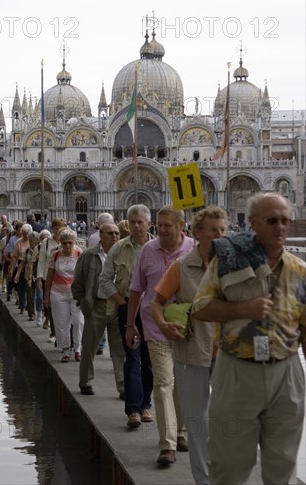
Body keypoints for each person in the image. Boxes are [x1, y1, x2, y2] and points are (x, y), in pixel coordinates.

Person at [192, 193, 306, 485]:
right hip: (238, 372)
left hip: (287, 372)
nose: (280, 227)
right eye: (272, 220)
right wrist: (242, 309)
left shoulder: (300, 270)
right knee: (230, 464)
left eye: (285, 220)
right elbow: (201, 308)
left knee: (283, 464)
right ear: (253, 223)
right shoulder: (228, 259)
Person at [151, 206, 228, 484]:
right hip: (192, 351)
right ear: (196, 233)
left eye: (223, 229)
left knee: (229, 419)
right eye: (213, 230)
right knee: (197, 423)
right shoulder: (182, 266)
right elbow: (156, 302)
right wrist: (162, 325)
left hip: (229, 355)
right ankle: (204, 480)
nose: (219, 235)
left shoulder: (234, 264)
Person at [126, 206, 195, 466]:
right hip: (155, 327)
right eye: (160, 224)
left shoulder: (194, 248)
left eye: (168, 225)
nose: (162, 229)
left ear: (181, 226)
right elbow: (136, 289)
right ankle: (167, 445)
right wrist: (130, 325)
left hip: (187, 330)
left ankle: (182, 432)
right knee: (163, 382)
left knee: (182, 382)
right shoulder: (147, 250)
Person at [99, 205, 154, 428]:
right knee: (132, 358)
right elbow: (105, 279)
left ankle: (146, 405)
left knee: (150, 361)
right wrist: (122, 302)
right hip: (127, 310)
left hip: (153, 311)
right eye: (132, 222)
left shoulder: (158, 248)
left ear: (150, 224)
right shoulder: (119, 248)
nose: (136, 226)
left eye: (140, 221)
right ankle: (133, 410)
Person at [72, 222, 125, 397]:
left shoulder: (124, 254)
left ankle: (123, 387)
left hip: (118, 306)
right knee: (89, 347)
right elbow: (77, 282)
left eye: (117, 233)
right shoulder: (88, 255)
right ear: (100, 235)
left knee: (119, 349)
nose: (115, 236)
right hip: (97, 305)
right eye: (110, 233)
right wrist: (83, 302)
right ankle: (85, 382)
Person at [44, 229, 83, 362]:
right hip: (58, 293)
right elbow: (49, 277)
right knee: (62, 323)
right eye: (64, 243)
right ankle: (65, 350)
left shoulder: (80, 253)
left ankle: (78, 349)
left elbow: (85, 275)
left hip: (76, 293)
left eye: (70, 243)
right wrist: (47, 296)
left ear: (74, 242)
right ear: (60, 242)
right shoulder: (55, 255)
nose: (67, 246)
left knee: (78, 321)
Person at [36, 219, 66, 339]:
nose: (58, 231)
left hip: (63, 278)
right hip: (48, 278)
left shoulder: (68, 241)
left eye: (60, 228)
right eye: (55, 229)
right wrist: (38, 278)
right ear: (52, 229)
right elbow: (41, 261)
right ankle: (54, 333)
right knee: (51, 305)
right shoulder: (46, 242)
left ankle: (63, 332)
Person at [11, 223, 32, 314]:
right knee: (21, 286)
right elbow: (15, 256)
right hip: (21, 264)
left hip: (30, 264)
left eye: (26, 233)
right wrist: (12, 269)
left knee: (30, 287)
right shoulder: (19, 241)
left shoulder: (33, 241)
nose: (25, 235)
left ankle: (29, 306)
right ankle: (22, 304)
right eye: (23, 233)